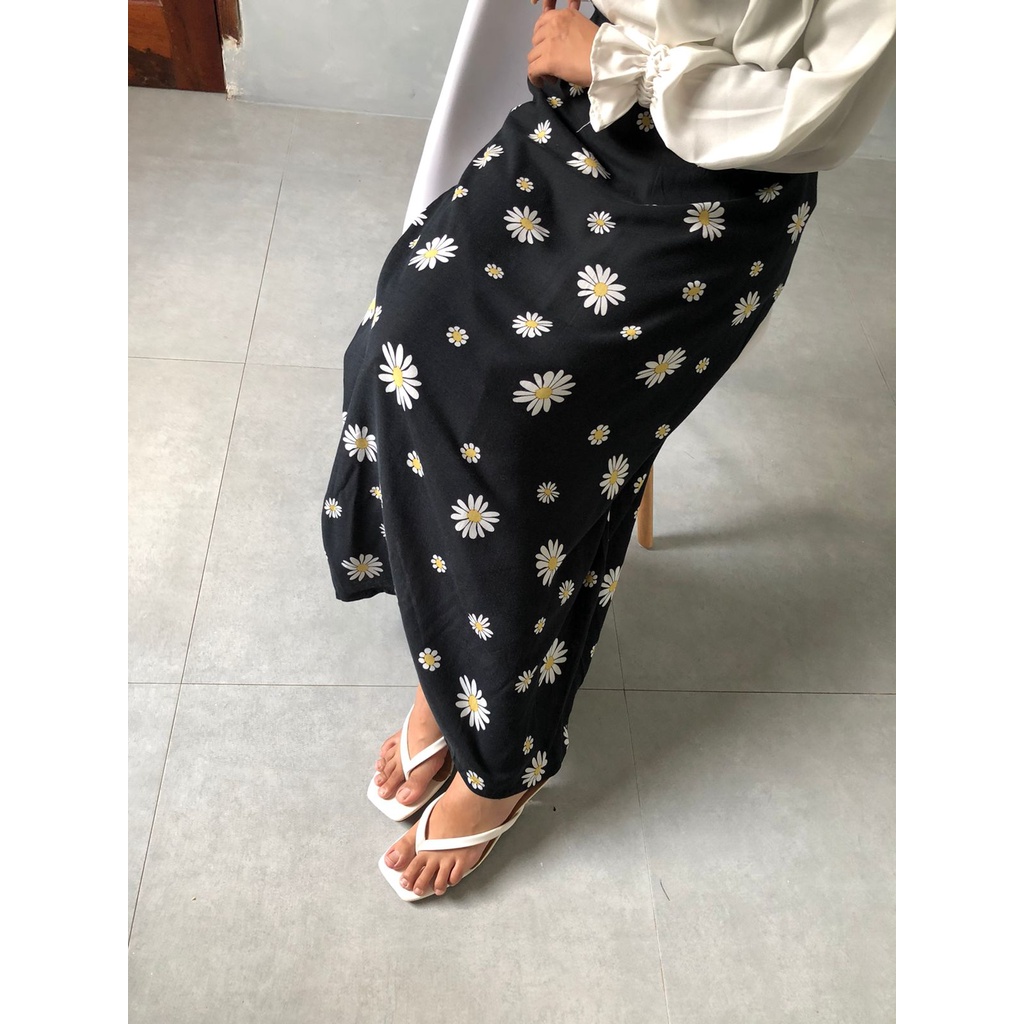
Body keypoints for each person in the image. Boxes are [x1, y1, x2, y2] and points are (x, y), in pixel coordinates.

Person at [321, 0, 896, 901]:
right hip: (582, 121)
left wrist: (627, 62)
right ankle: (456, 663)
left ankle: (505, 753)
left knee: (524, 437)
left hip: (725, 189)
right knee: (397, 344)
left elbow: (822, 110)